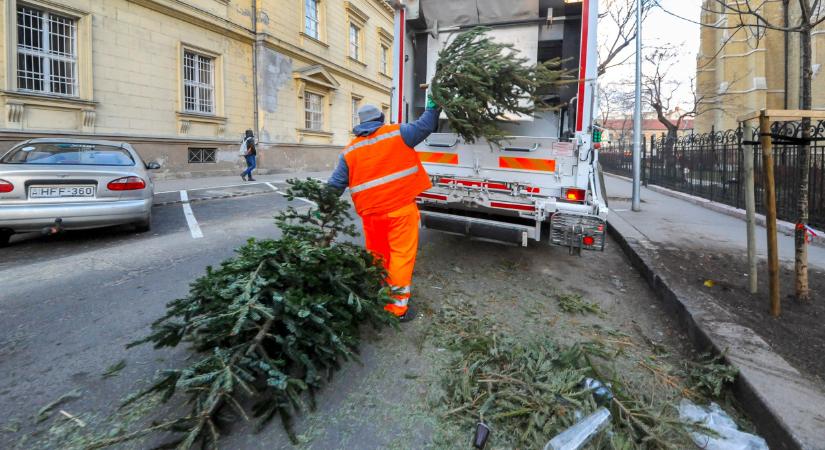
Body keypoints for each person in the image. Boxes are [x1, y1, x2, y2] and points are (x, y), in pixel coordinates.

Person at [328, 99, 440, 321]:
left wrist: (323, 208)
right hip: (399, 210)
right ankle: (397, 309)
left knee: (378, 255)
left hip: (371, 215)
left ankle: (380, 293)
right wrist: (433, 106)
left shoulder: (349, 151)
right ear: (380, 119)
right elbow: (426, 125)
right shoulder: (397, 133)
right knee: (400, 256)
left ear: (359, 125)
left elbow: (334, 185)